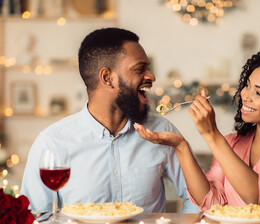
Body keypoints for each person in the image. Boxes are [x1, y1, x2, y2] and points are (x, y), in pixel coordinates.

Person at [134, 47, 260, 216]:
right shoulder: (233, 143)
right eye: (247, 86)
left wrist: (212, 135)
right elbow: (211, 203)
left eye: (259, 93)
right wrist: (181, 147)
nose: (245, 96)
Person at [20, 27, 199, 213]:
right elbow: (37, 217)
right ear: (107, 78)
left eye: (148, 68)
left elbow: (200, 200)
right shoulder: (51, 142)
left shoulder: (162, 131)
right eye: (140, 69)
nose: (151, 77)